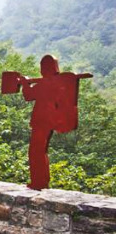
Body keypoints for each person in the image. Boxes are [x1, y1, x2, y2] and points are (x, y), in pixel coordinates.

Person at [17, 55, 92, 190]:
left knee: (36, 151)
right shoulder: (57, 82)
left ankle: (38, 182)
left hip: (42, 121)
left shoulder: (45, 84)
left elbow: (28, 96)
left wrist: (25, 83)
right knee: (41, 151)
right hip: (49, 120)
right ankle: (42, 181)